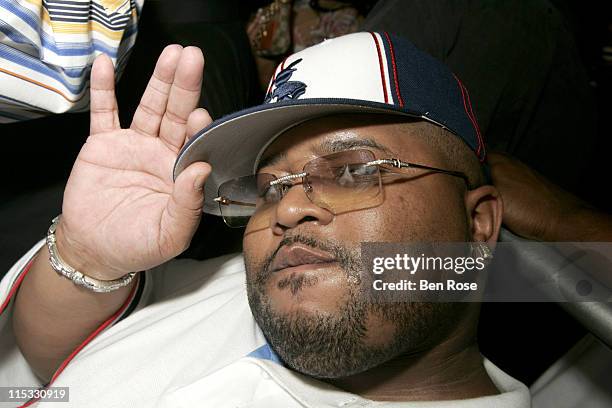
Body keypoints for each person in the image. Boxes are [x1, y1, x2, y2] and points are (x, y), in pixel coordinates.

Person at [0, 33, 530, 407]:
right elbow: (54, 362)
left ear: (478, 226)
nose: (290, 209)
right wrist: (86, 256)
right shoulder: (251, 283)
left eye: (351, 172)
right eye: (271, 187)